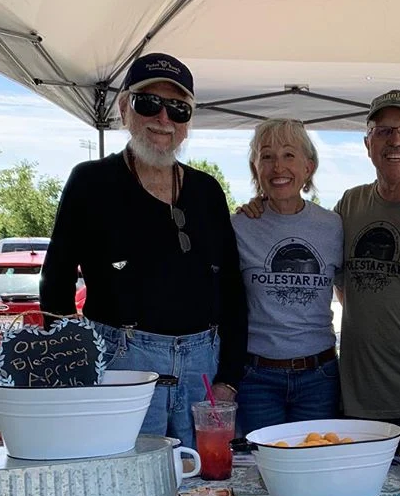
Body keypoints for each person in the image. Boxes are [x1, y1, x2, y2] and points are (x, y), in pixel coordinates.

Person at [240, 91, 400, 452]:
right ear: (368, 143)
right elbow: (341, 282)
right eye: (384, 131)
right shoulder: (350, 206)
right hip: (354, 402)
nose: (396, 141)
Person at [40, 53, 247, 448]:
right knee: (123, 480)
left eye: (179, 109)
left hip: (203, 366)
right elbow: (56, 283)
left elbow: (234, 290)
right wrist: (76, 370)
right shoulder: (90, 182)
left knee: (205, 490)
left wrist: (229, 380)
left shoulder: (207, 191)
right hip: (122, 364)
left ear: (188, 123)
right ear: (124, 108)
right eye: (149, 103)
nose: (163, 119)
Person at [231, 119, 343, 434]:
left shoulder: (333, 226)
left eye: (289, 155)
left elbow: (351, 291)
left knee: (315, 466)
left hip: (318, 377)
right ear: (256, 169)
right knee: (262, 469)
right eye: (267, 156)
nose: (278, 165)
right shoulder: (238, 227)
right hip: (257, 379)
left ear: (308, 167)